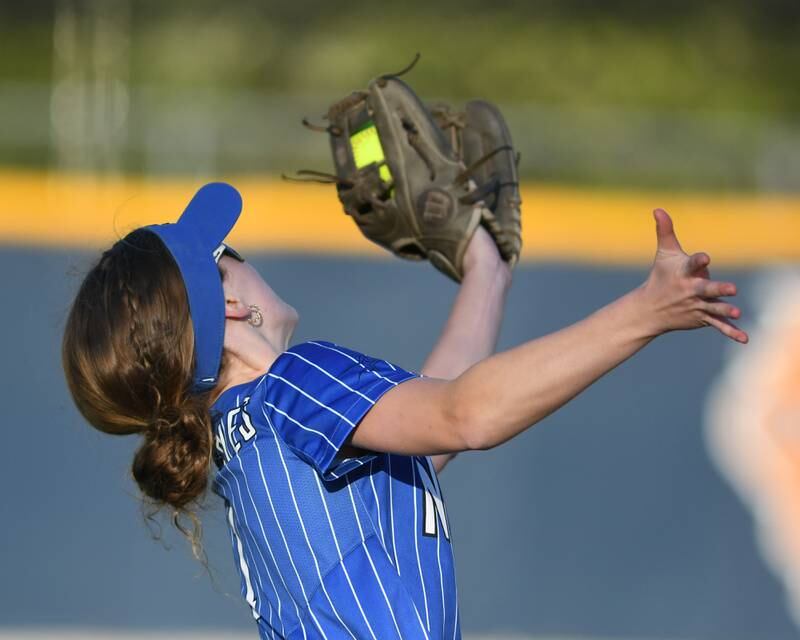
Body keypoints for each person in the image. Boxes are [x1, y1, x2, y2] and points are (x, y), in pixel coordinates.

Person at [62, 182, 747, 639]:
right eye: (228, 255)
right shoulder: (295, 387)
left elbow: (432, 419)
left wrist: (486, 266)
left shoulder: (240, 436)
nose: (245, 258)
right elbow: (465, 415)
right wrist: (646, 311)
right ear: (232, 305)